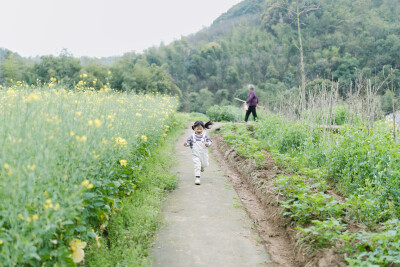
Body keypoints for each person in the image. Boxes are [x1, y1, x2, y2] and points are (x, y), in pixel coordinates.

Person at [184, 121, 213, 185]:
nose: (199, 130)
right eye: (197, 129)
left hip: (203, 154)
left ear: (203, 128)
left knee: (205, 164)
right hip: (195, 154)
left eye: (200, 129)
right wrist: (186, 144)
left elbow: (210, 142)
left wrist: (208, 143)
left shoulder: (205, 136)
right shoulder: (192, 136)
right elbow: (188, 143)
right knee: (197, 165)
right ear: (194, 128)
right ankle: (197, 178)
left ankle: (202, 167)